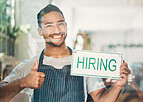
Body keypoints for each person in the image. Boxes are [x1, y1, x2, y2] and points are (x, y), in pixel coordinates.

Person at [0, 4, 130, 102]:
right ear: (40, 31)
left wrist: (118, 86)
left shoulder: (84, 62)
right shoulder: (29, 66)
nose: (56, 30)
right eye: (49, 25)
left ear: (66, 26)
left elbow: (100, 98)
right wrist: (22, 83)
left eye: (60, 24)